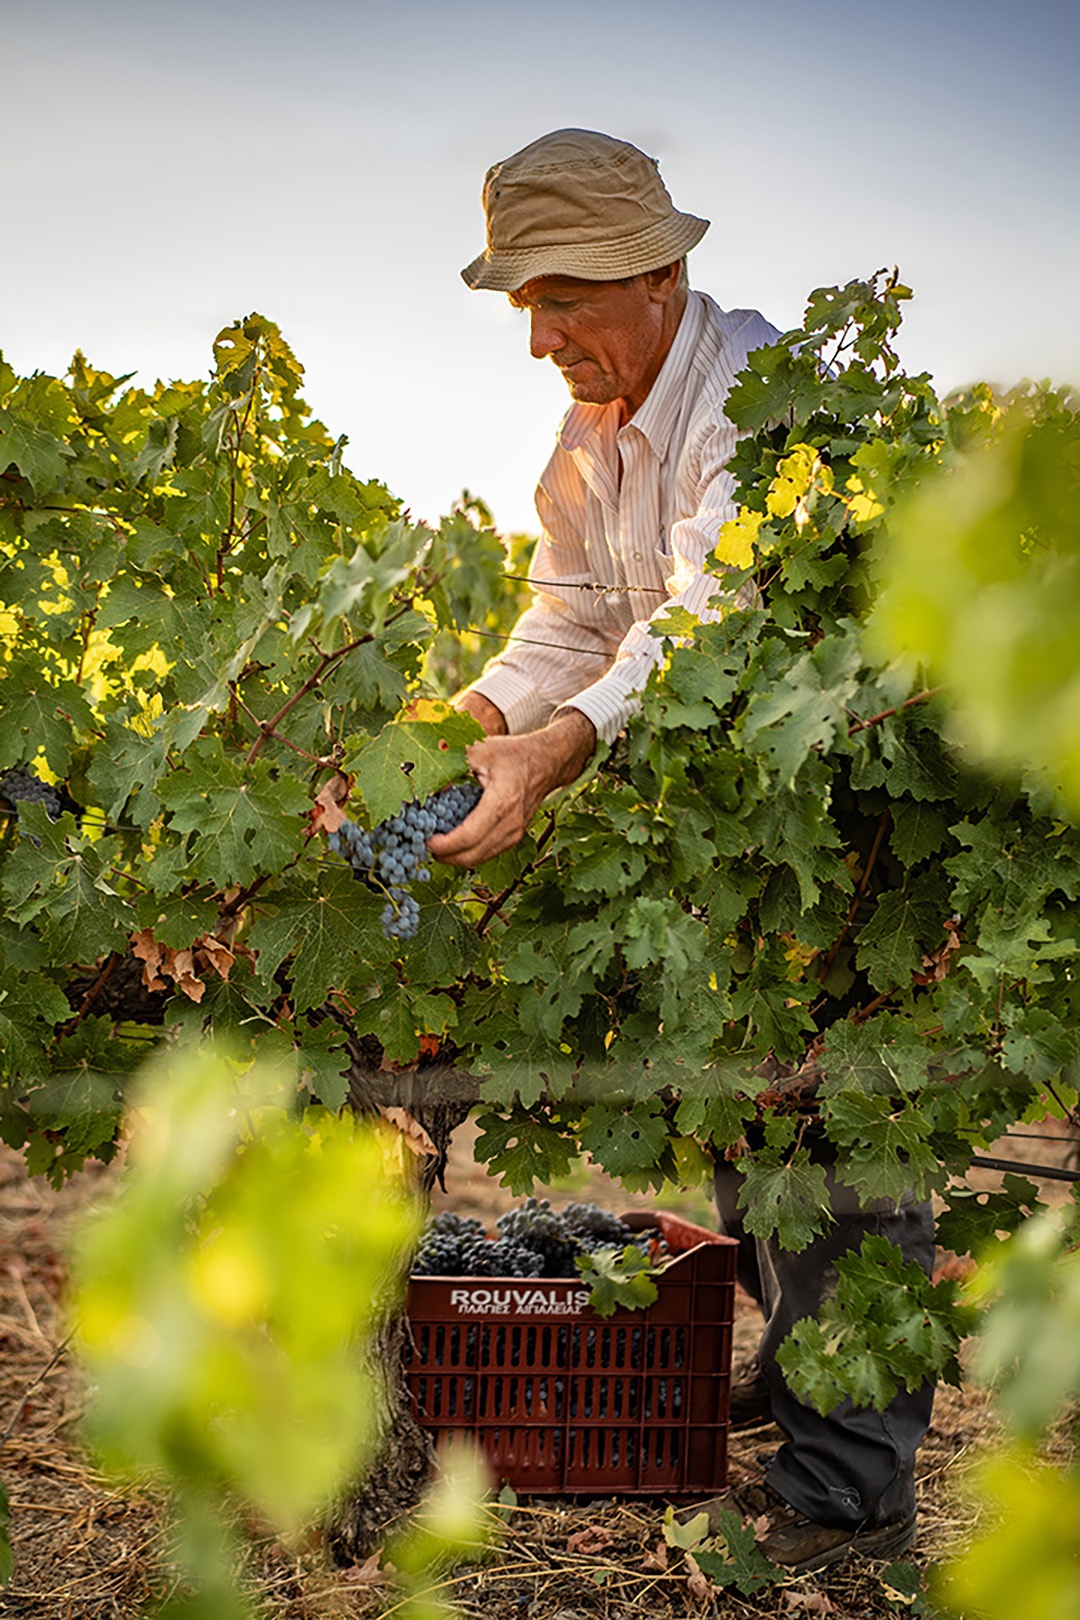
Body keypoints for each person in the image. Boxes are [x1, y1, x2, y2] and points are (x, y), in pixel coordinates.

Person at [429, 127, 934, 1574]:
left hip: (846, 844)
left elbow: (712, 619)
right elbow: (571, 617)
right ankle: (799, 1370)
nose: (539, 338)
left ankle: (847, 1497)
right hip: (734, 847)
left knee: (835, 1145)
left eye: (562, 297)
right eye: (523, 303)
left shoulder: (768, 400)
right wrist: (463, 725)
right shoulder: (594, 436)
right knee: (751, 1123)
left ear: (659, 274)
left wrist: (554, 751)